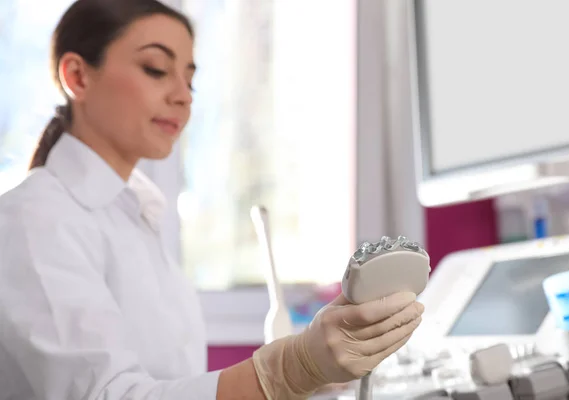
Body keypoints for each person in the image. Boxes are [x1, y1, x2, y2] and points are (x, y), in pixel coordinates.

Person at [0, 0, 425, 399]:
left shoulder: (133, 214)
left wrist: (309, 374)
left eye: (190, 79)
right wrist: (287, 370)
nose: (183, 96)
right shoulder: (33, 219)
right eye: (155, 69)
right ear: (77, 76)